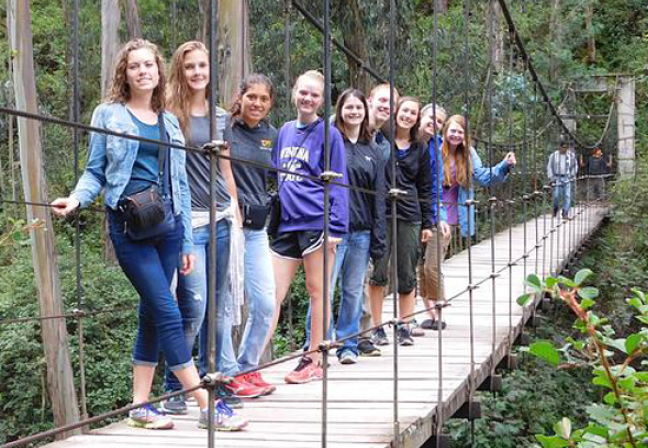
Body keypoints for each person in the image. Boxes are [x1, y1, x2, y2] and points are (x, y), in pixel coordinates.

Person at [52, 39, 246, 431]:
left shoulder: (169, 120)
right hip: (130, 229)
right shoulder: (108, 114)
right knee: (169, 310)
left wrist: (188, 241)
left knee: (152, 316)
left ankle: (139, 405)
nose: (143, 71)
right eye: (134, 66)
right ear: (124, 73)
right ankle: (205, 402)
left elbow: (182, 184)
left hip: (171, 229)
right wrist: (76, 199)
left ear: (159, 72)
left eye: (149, 66)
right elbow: (96, 171)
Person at [268, 70, 349, 384]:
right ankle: (250, 362)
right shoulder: (285, 131)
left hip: (317, 222)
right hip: (287, 224)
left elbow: (339, 181)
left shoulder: (329, 134)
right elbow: (276, 173)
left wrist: (336, 227)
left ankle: (314, 358)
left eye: (315, 95)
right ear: (294, 93)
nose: (308, 98)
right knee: (272, 294)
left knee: (318, 291)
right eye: (303, 92)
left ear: (322, 100)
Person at [303, 88, 387, 364]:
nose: (354, 112)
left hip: (361, 232)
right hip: (333, 232)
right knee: (323, 289)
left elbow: (378, 198)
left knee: (352, 290)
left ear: (365, 112)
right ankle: (317, 345)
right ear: (339, 111)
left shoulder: (372, 150)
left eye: (359, 108)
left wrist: (378, 237)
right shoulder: (329, 143)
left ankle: (347, 344)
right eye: (348, 107)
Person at [218, 74, 277, 394]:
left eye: (263, 99)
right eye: (251, 97)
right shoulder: (224, 127)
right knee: (227, 304)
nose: (257, 104)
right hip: (229, 225)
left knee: (266, 303)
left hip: (257, 229)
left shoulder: (272, 135)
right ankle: (227, 373)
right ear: (240, 96)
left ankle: (247, 366)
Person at [368, 96, 434, 347]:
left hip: (410, 213)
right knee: (379, 270)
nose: (408, 116)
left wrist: (428, 223)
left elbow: (425, 186)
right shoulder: (379, 140)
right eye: (404, 111)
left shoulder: (420, 148)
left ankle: (405, 325)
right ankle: (376, 327)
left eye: (413, 113)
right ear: (396, 113)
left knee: (407, 272)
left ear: (417, 118)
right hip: (381, 212)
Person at [354, 83, 401, 358]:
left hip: (366, 220)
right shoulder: (343, 125)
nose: (385, 106)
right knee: (324, 286)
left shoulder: (383, 144)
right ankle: (313, 349)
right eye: (382, 100)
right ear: (370, 99)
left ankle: (359, 338)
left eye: (390, 104)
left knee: (358, 280)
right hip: (337, 220)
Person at [416, 103, 451, 332]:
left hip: (430, 212)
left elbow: (436, 186)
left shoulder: (438, 147)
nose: (434, 124)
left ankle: (438, 314)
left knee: (431, 266)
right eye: (432, 118)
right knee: (418, 267)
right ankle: (427, 316)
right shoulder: (405, 140)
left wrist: (440, 215)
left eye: (439, 122)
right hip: (409, 210)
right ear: (422, 116)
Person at [547, 138, 578, 219]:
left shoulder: (571, 155)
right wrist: (551, 178)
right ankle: (555, 209)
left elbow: (575, 166)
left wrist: (572, 174)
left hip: (567, 177)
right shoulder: (553, 155)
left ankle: (565, 213)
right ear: (559, 147)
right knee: (556, 195)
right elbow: (549, 167)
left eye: (566, 147)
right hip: (557, 177)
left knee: (567, 196)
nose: (565, 149)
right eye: (563, 147)